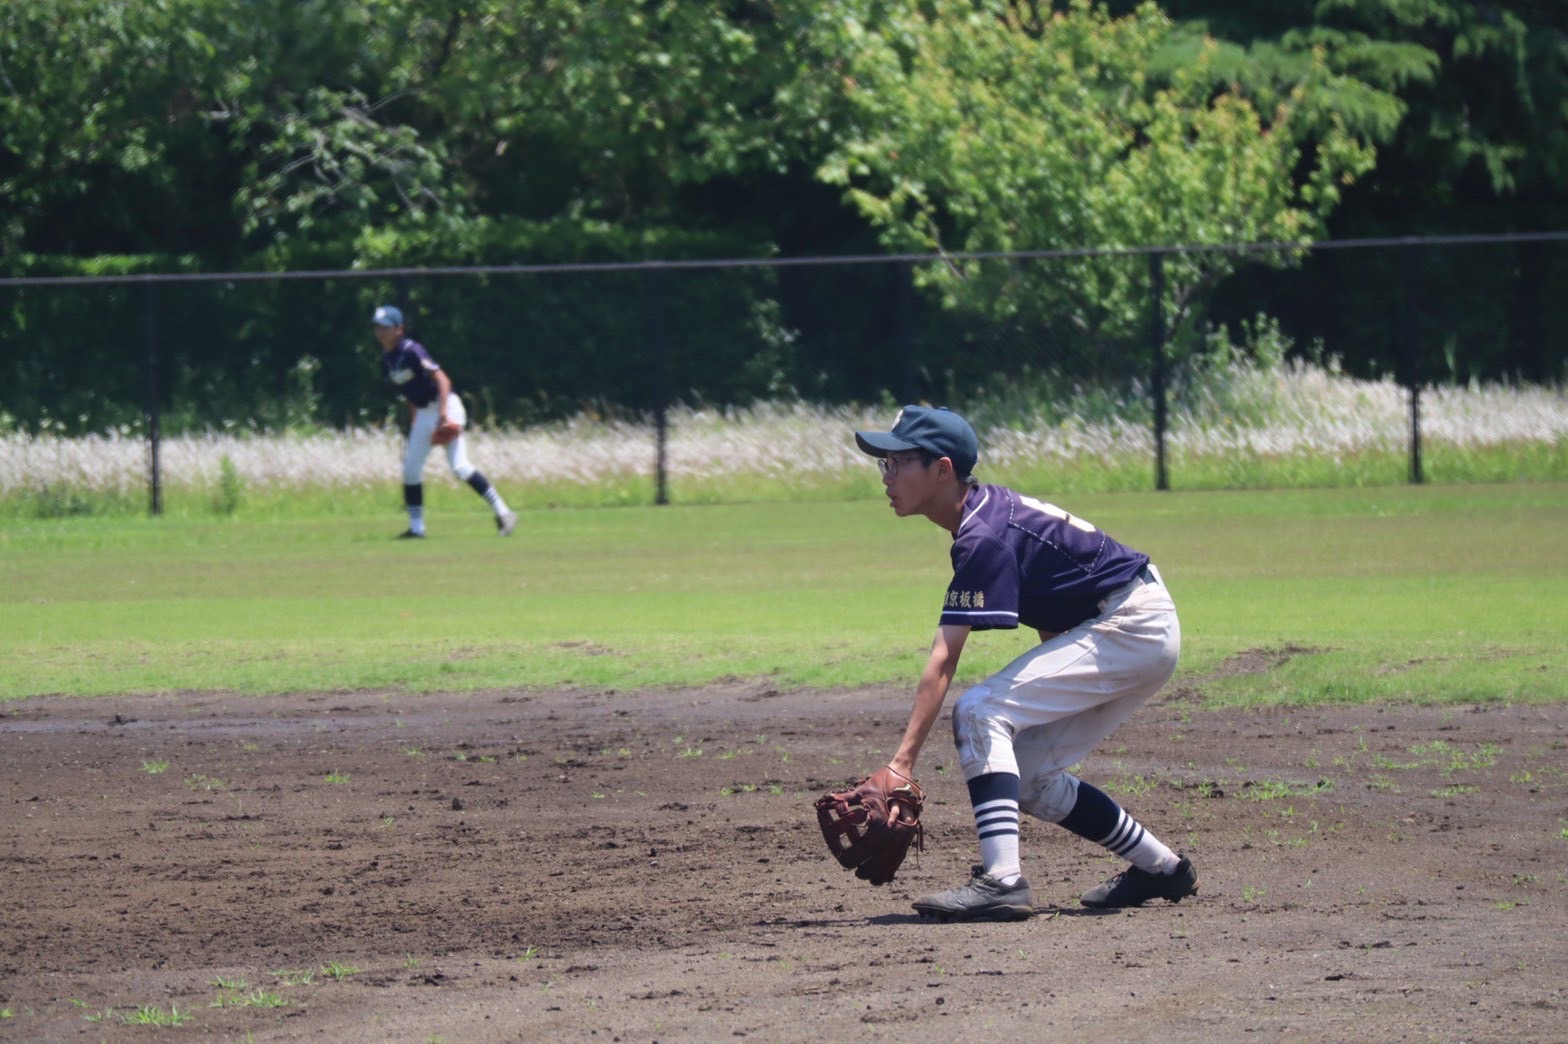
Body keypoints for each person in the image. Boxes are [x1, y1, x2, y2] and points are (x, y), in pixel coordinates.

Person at [852, 404, 1196, 921]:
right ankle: (1162, 869)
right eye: (886, 463)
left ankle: (1002, 881)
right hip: (1132, 625)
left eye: (899, 462)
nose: (887, 475)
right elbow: (1058, 611)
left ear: (942, 470)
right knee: (1031, 774)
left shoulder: (982, 534)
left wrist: (901, 765)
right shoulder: (985, 517)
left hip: (1131, 624)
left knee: (979, 710)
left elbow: (944, 657)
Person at [371, 305, 517, 539]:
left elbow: (442, 378)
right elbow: (408, 391)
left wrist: (443, 415)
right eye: (377, 327)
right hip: (423, 413)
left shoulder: (412, 350)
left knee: (460, 468)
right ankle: (417, 529)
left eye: (385, 327)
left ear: (399, 329)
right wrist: (416, 422)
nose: (380, 332)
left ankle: (504, 513)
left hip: (446, 406)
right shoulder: (388, 358)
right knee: (410, 471)